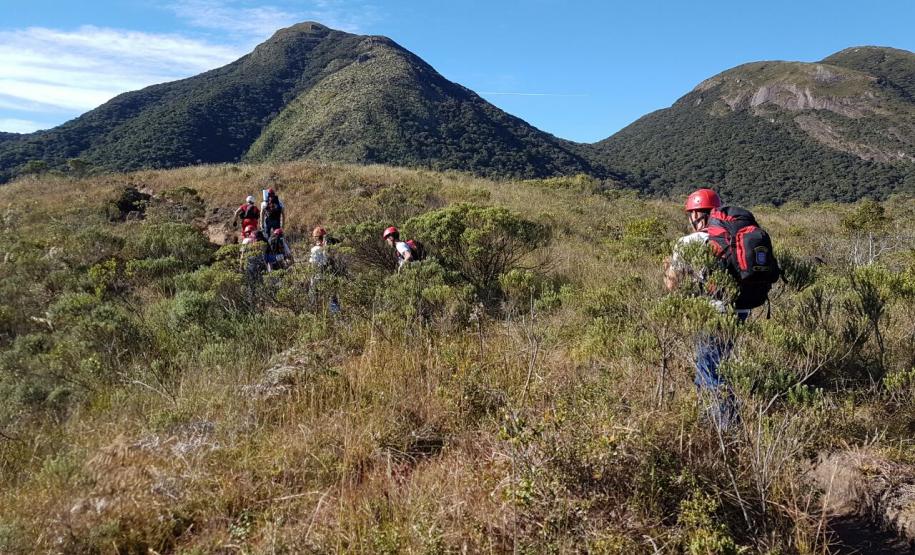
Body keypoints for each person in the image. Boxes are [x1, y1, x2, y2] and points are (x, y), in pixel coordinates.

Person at [664, 187, 749, 430]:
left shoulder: (689, 242)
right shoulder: (733, 235)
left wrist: (669, 266)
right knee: (717, 365)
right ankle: (710, 419)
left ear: (696, 214)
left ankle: (725, 430)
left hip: (711, 312)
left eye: (690, 214)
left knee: (710, 371)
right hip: (741, 310)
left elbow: (672, 285)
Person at [309, 226, 340, 313]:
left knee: (314, 297)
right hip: (330, 275)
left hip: (318, 276)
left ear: (315, 238)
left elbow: (313, 266)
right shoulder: (330, 249)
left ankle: (314, 313)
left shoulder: (315, 249)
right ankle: (335, 314)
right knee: (332, 297)